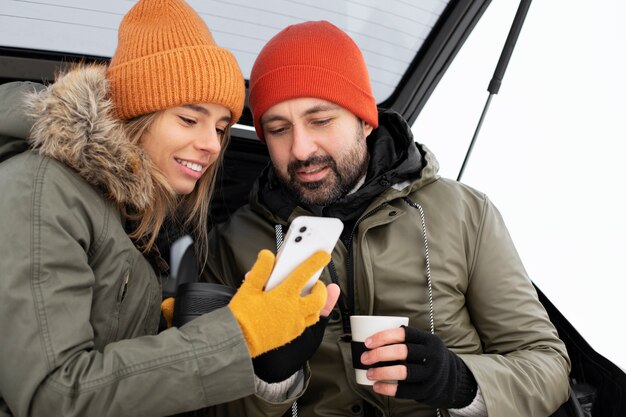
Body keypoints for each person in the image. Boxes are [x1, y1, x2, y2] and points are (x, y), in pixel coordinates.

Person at [202, 21, 571, 417]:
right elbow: (207, 404)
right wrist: (270, 380)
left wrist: (461, 382)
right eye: (278, 129)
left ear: (364, 119)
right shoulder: (231, 242)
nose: (301, 148)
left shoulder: (465, 212)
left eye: (320, 120)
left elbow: (549, 367)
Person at [0, 3, 340, 416]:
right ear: (135, 114)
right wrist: (238, 333)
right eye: (188, 119)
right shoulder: (40, 189)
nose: (212, 144)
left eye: (219, 127)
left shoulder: (134, 224)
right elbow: (53, 397)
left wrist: (176, 332)